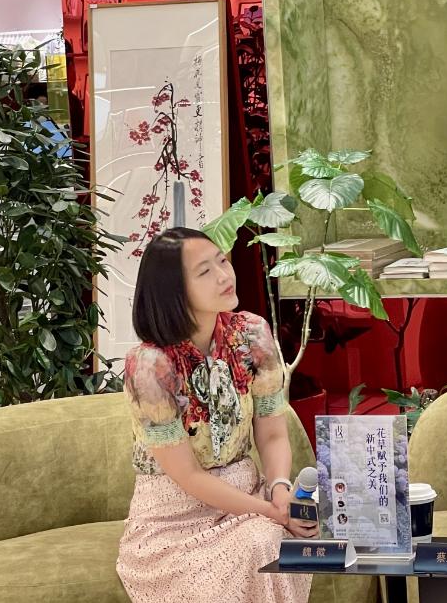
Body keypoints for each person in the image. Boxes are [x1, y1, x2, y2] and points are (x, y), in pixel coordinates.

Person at [116, 227, 314, 602]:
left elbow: (272, 433)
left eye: (222, 261)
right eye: (205, 271)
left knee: (273, 538)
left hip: (251, 494)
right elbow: (188, 475)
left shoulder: (252, 335)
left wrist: (279, 489)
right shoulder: (150, 365)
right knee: (264, 539)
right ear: (174, 291)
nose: (224, 275)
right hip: (173, 516)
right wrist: (270, 512)